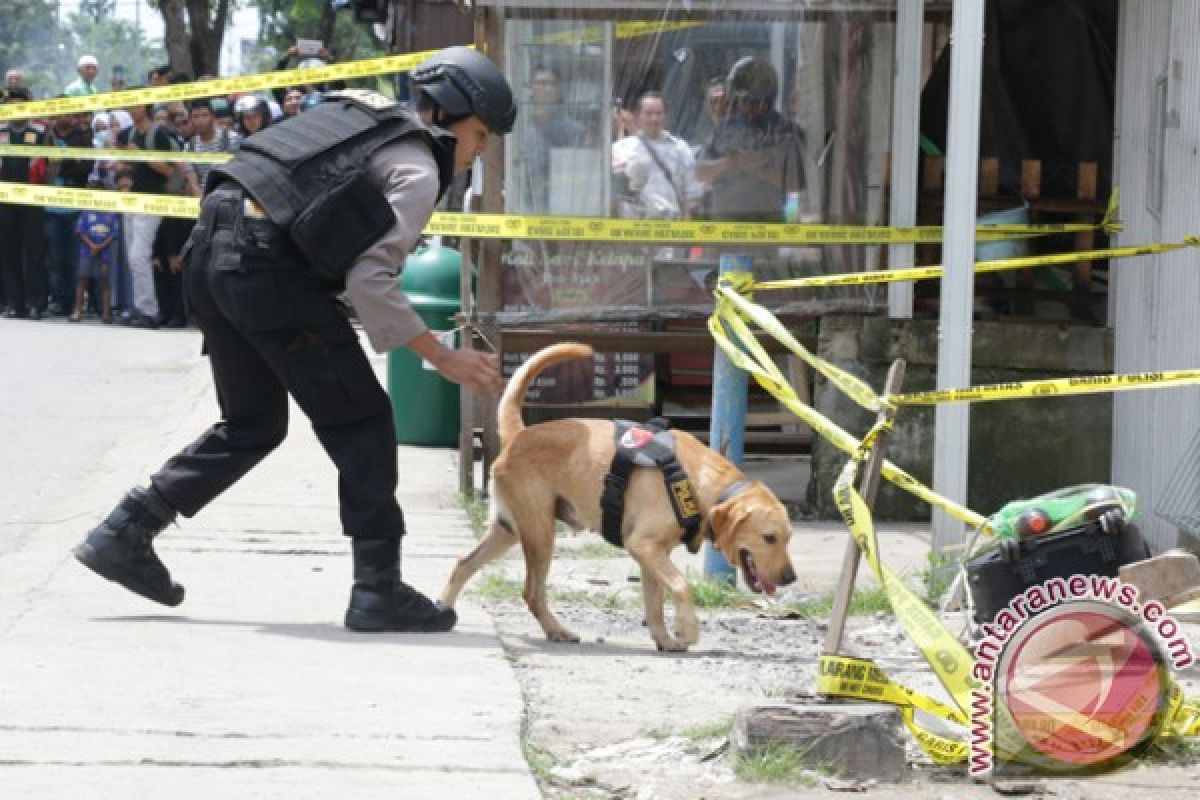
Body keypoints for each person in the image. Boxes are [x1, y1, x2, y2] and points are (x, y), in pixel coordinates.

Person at [73, 47, 517, 634]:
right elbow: (370, 278)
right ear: (452, 116)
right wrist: (442, 355)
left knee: (252, 425)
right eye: (481, 135)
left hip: (211, 250)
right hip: (265, 271)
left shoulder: (354, 112)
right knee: (363, 421)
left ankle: (125, 531)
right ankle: (377, 588)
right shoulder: (418, 167)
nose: (479, 151)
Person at [696, 57, 806, 223]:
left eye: (752, 101)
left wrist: (758, 168)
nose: (744, 105)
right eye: (741, 99)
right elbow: (700, 172)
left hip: (766, 228)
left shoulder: (786, 131)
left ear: (767, 99)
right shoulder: (725, 127)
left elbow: (798, 182)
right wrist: (731, 163)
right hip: (723, 228)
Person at [115, 97, 182, 328]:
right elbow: (126, 167)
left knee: (138, 255)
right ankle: (139, 308)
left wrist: (140, 154)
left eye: (136, 105)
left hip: (152, 201)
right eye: (129, 105)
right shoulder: (128, 134)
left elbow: (168, 170)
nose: (132, 109)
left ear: (145, 107)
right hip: (132, 199)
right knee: (133, 257)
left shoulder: (160, 135)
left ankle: (149, 311)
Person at [0, 87, 52, 320]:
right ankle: (15, 303)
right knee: (8, 251)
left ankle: (36, 303)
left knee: (34, 252)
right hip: (5, 199)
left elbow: (53, 162)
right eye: (11, 103)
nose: (15, 108)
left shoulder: (41, 129)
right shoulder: (0, 129)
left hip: (32, 198)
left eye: (19, 103)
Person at [611, 91, 701, 220]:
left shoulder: (681, 149)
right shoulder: (620, 148)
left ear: (665, 116)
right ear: (638, 116)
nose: (654, 119)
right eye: (648, 114)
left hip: (671, 230)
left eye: (659, 113)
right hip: (631, 231)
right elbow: (612, 193)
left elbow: (693, 196)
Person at [71, 183, 120, 324]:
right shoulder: (86, 212)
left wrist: (101, 246)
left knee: (104, 283)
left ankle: (106, 314)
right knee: (82, 280)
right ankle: (77, 311)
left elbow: (114, 234)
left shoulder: (110, 214)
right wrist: (92, 245)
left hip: (104, 253)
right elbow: (80, 231)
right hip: (87, 251)